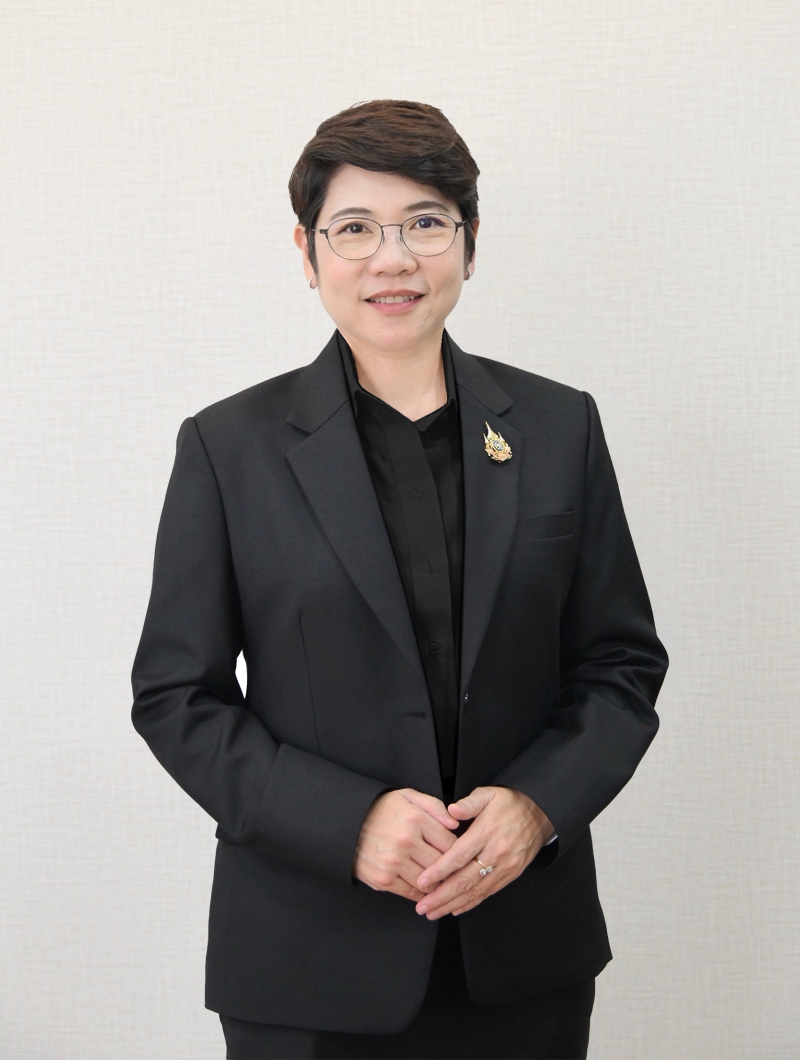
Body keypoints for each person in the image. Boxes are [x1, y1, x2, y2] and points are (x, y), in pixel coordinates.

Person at [130, 99, 668, 1059]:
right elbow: (177, 695)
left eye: (425, 223)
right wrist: (346, 825)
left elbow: (621, 665)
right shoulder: (227, 448)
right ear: (307, 252)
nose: (393, 259)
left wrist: (538, 805)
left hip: (522, 957)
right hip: (306, 964)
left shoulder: (560, 428)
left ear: (470, 242)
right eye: (355, 229)